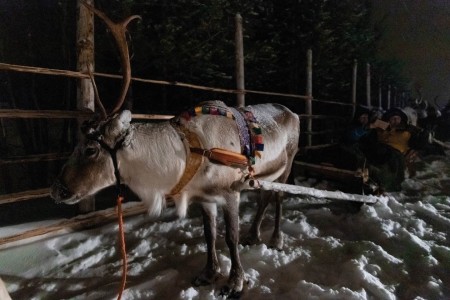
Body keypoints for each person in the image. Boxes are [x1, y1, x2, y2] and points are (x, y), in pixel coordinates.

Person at [359, 107, 429, 191]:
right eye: (393, 118)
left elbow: (418, 145)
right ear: (388, 119)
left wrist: (424, 135)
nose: (395, 120)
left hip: (395, 154)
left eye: (397, 118)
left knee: (391, 166)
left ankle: (386, 184)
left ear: (401, 119)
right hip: (379, 151)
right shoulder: (381, 128)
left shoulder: (407, 132)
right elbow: (369, 137)